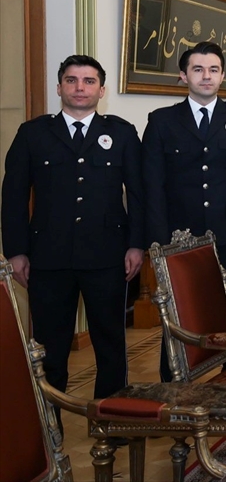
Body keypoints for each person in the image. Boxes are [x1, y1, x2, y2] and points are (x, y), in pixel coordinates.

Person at [1, 55, 143, 402]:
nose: (80, 88)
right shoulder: (33, 133)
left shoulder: (122, 133)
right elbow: (13, 196)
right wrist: (16, 251)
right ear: (59, 87)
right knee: (50, 348)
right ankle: (50, 425)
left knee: (110, 344)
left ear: (101, 90)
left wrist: (137, 244)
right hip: (49, 258)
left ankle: (110, 417)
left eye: (89, 81)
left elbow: (140, 194)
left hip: (108, 256)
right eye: (72, 80)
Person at [143, 41, 226, 376]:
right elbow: (153, 186)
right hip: (178, 239)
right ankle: (173, 386)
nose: (206, 76)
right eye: (198, 69)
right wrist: (158, 244)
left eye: (213, 70)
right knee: (177, 312)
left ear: (223, 76)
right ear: (184, 76)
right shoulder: (162, 121)